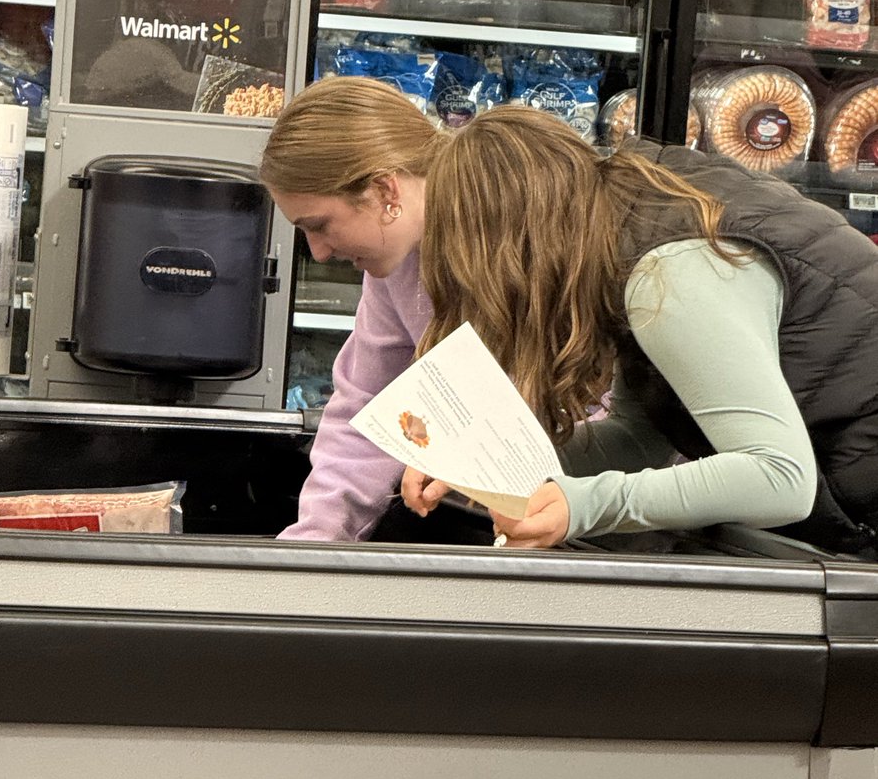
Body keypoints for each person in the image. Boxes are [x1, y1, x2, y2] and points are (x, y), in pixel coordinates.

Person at [402, 106, 878, 557]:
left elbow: (779, 477)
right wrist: (486, 465)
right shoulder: (629, 227)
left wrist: (587, 505)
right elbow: (640, 439)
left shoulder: (668, 274)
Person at [261, 75, 489, 543]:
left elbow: (592, 416)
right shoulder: (394, 265)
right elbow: (366, 410)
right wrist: (308, 550)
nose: (319, 252)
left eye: (319, 225)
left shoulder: (515, 237)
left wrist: (477, 457)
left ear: (386, 191)